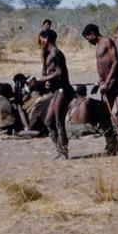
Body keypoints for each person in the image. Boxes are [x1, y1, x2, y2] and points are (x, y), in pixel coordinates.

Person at [82, 24, 118, 155]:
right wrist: (99, 80)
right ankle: (113, 143)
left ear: (93, 33)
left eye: (88, 37)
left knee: (103, 114)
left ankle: (113, 144)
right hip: (104, 83)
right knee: (103, 114)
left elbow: (116, 62)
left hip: (112, 82)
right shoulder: (98, 45)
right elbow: (102, 64)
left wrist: (108, 81)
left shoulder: (107, 42)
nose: (88, 41)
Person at [37, 29, 76, 159]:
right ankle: (60, 149)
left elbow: (59, 72)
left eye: (41, 38)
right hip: (56, 91)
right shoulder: (49, 53)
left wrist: (45, 79)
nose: (39, 41)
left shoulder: (55, 53)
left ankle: (64, 152)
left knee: (59, 122)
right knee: (48, 121)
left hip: (63, 90)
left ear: (46, 38)